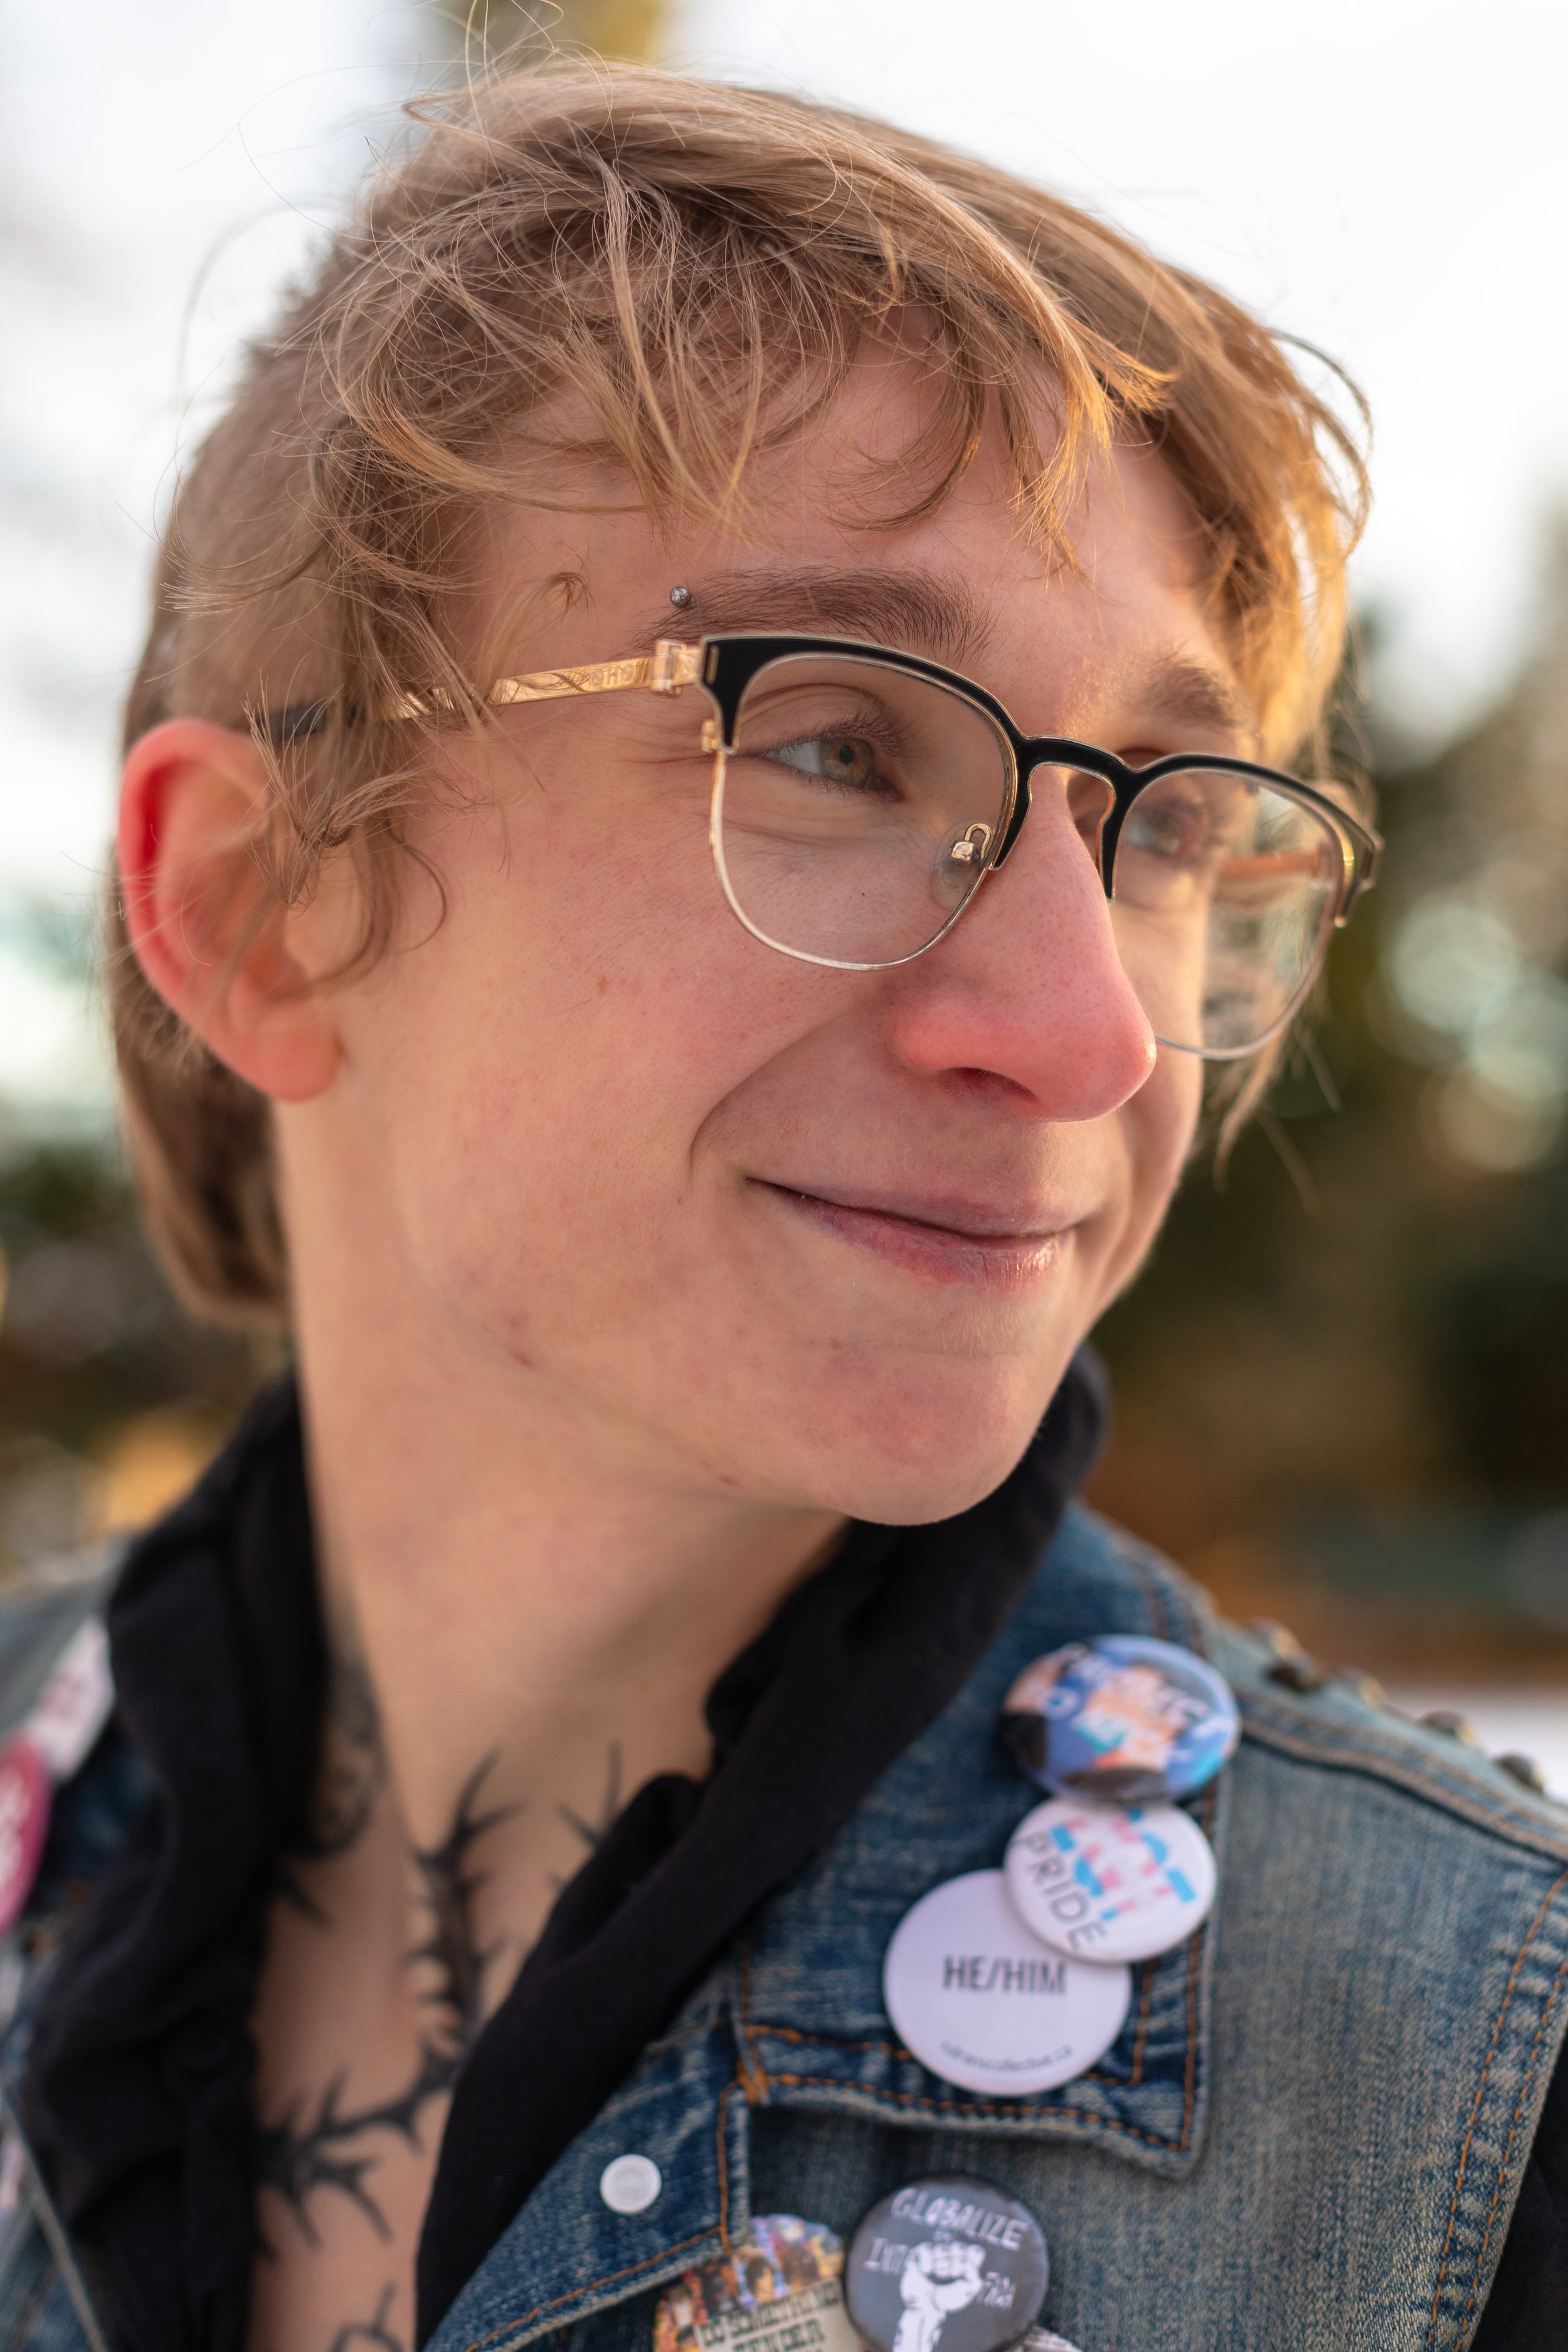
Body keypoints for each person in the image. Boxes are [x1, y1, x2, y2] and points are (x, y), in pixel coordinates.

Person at [0, 61, 1560, 2352]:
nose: (1089, 1032)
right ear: (256, 910)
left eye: (1151, 822)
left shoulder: (1483, 2104)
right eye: (836, 745)